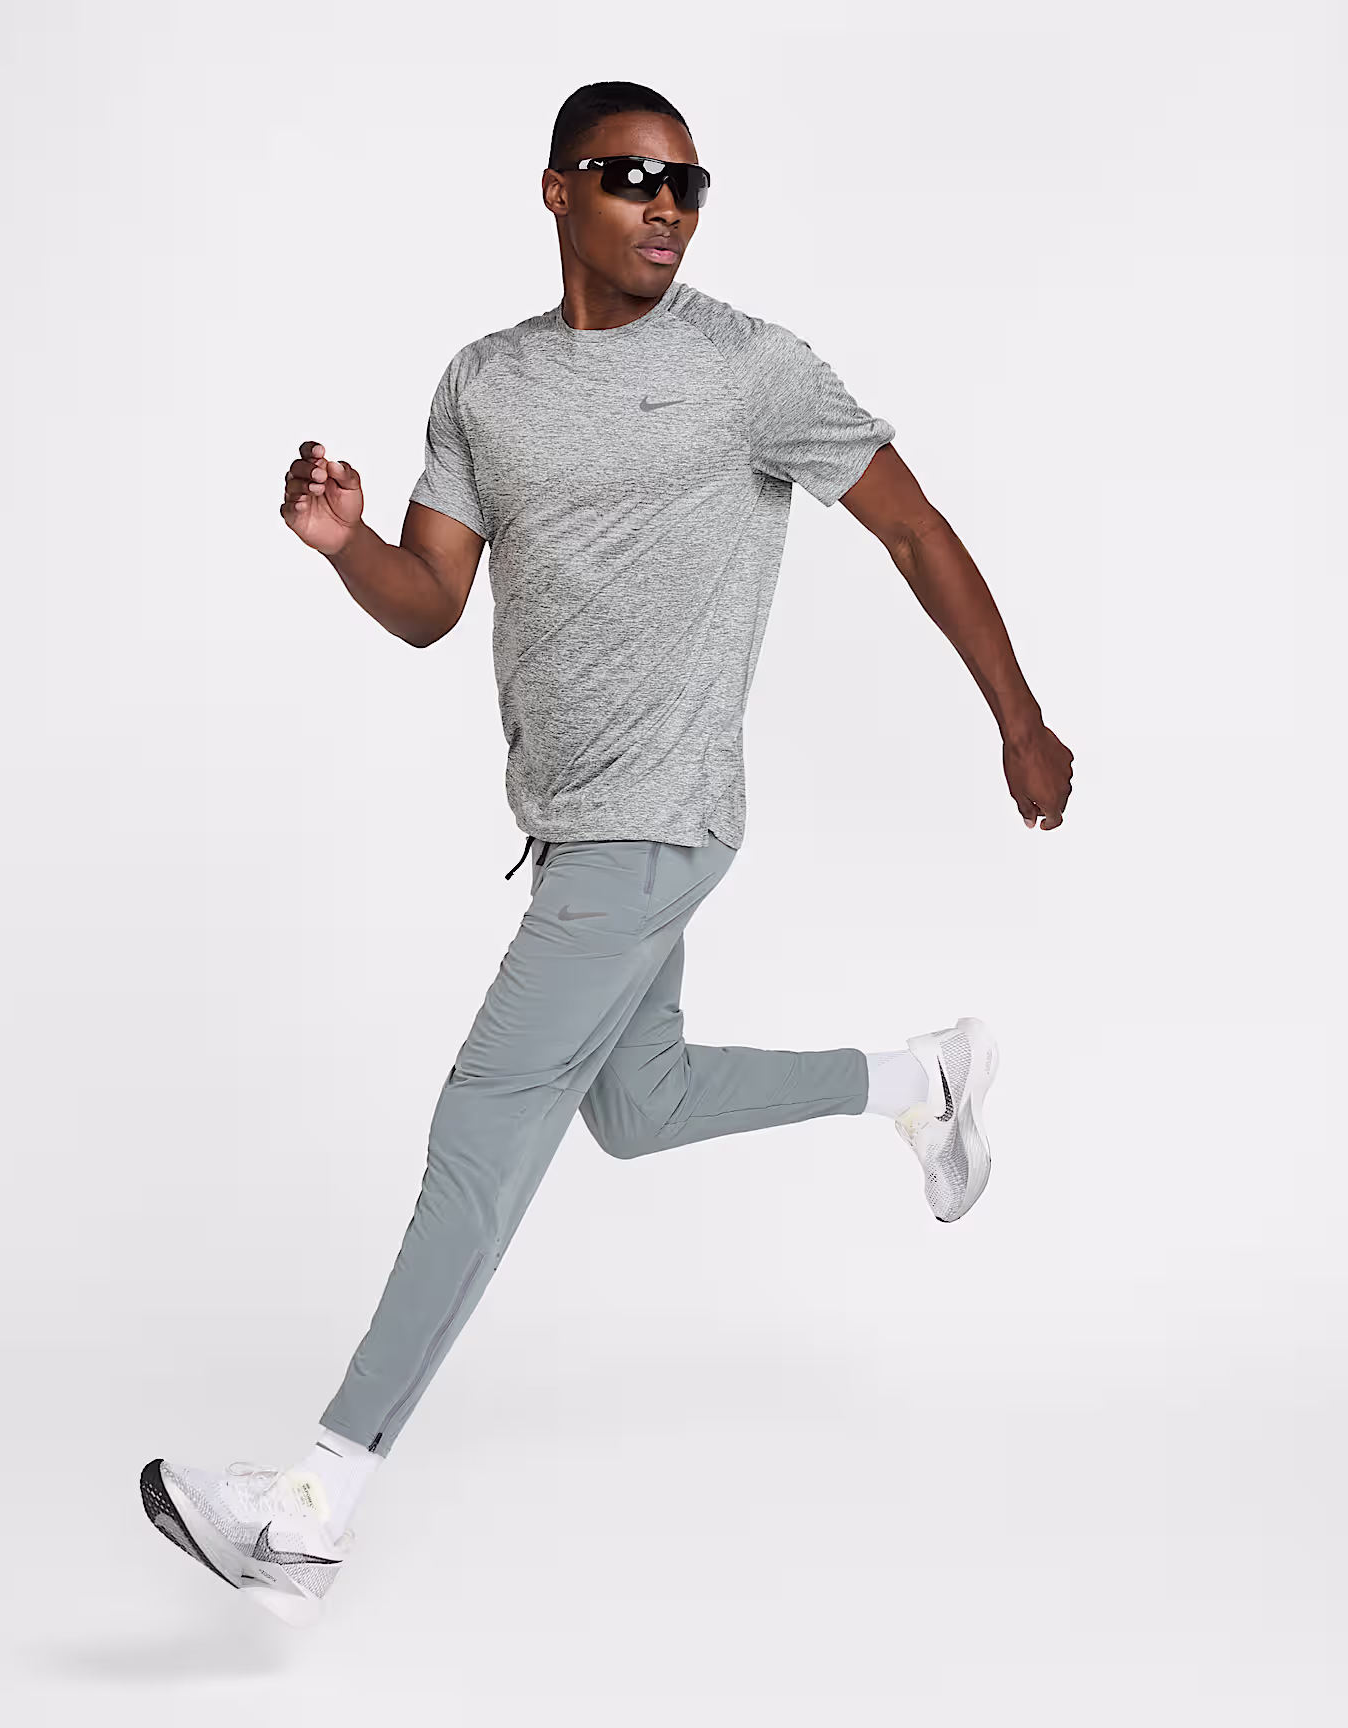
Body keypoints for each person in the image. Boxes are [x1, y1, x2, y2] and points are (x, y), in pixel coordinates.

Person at [140, 79, 1074, 1626]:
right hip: (571, 820)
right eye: (635, 176)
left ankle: (310, 1509)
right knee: (636, 1105)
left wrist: (1018, 719)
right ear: (560, 189)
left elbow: (912, 528)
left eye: (689, 184)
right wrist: (349, 544)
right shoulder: (485, 384)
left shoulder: (748, 369)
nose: (668, 207)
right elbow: (433, 602)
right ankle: (921, 1079)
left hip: (658, 819)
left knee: (484, 1119)